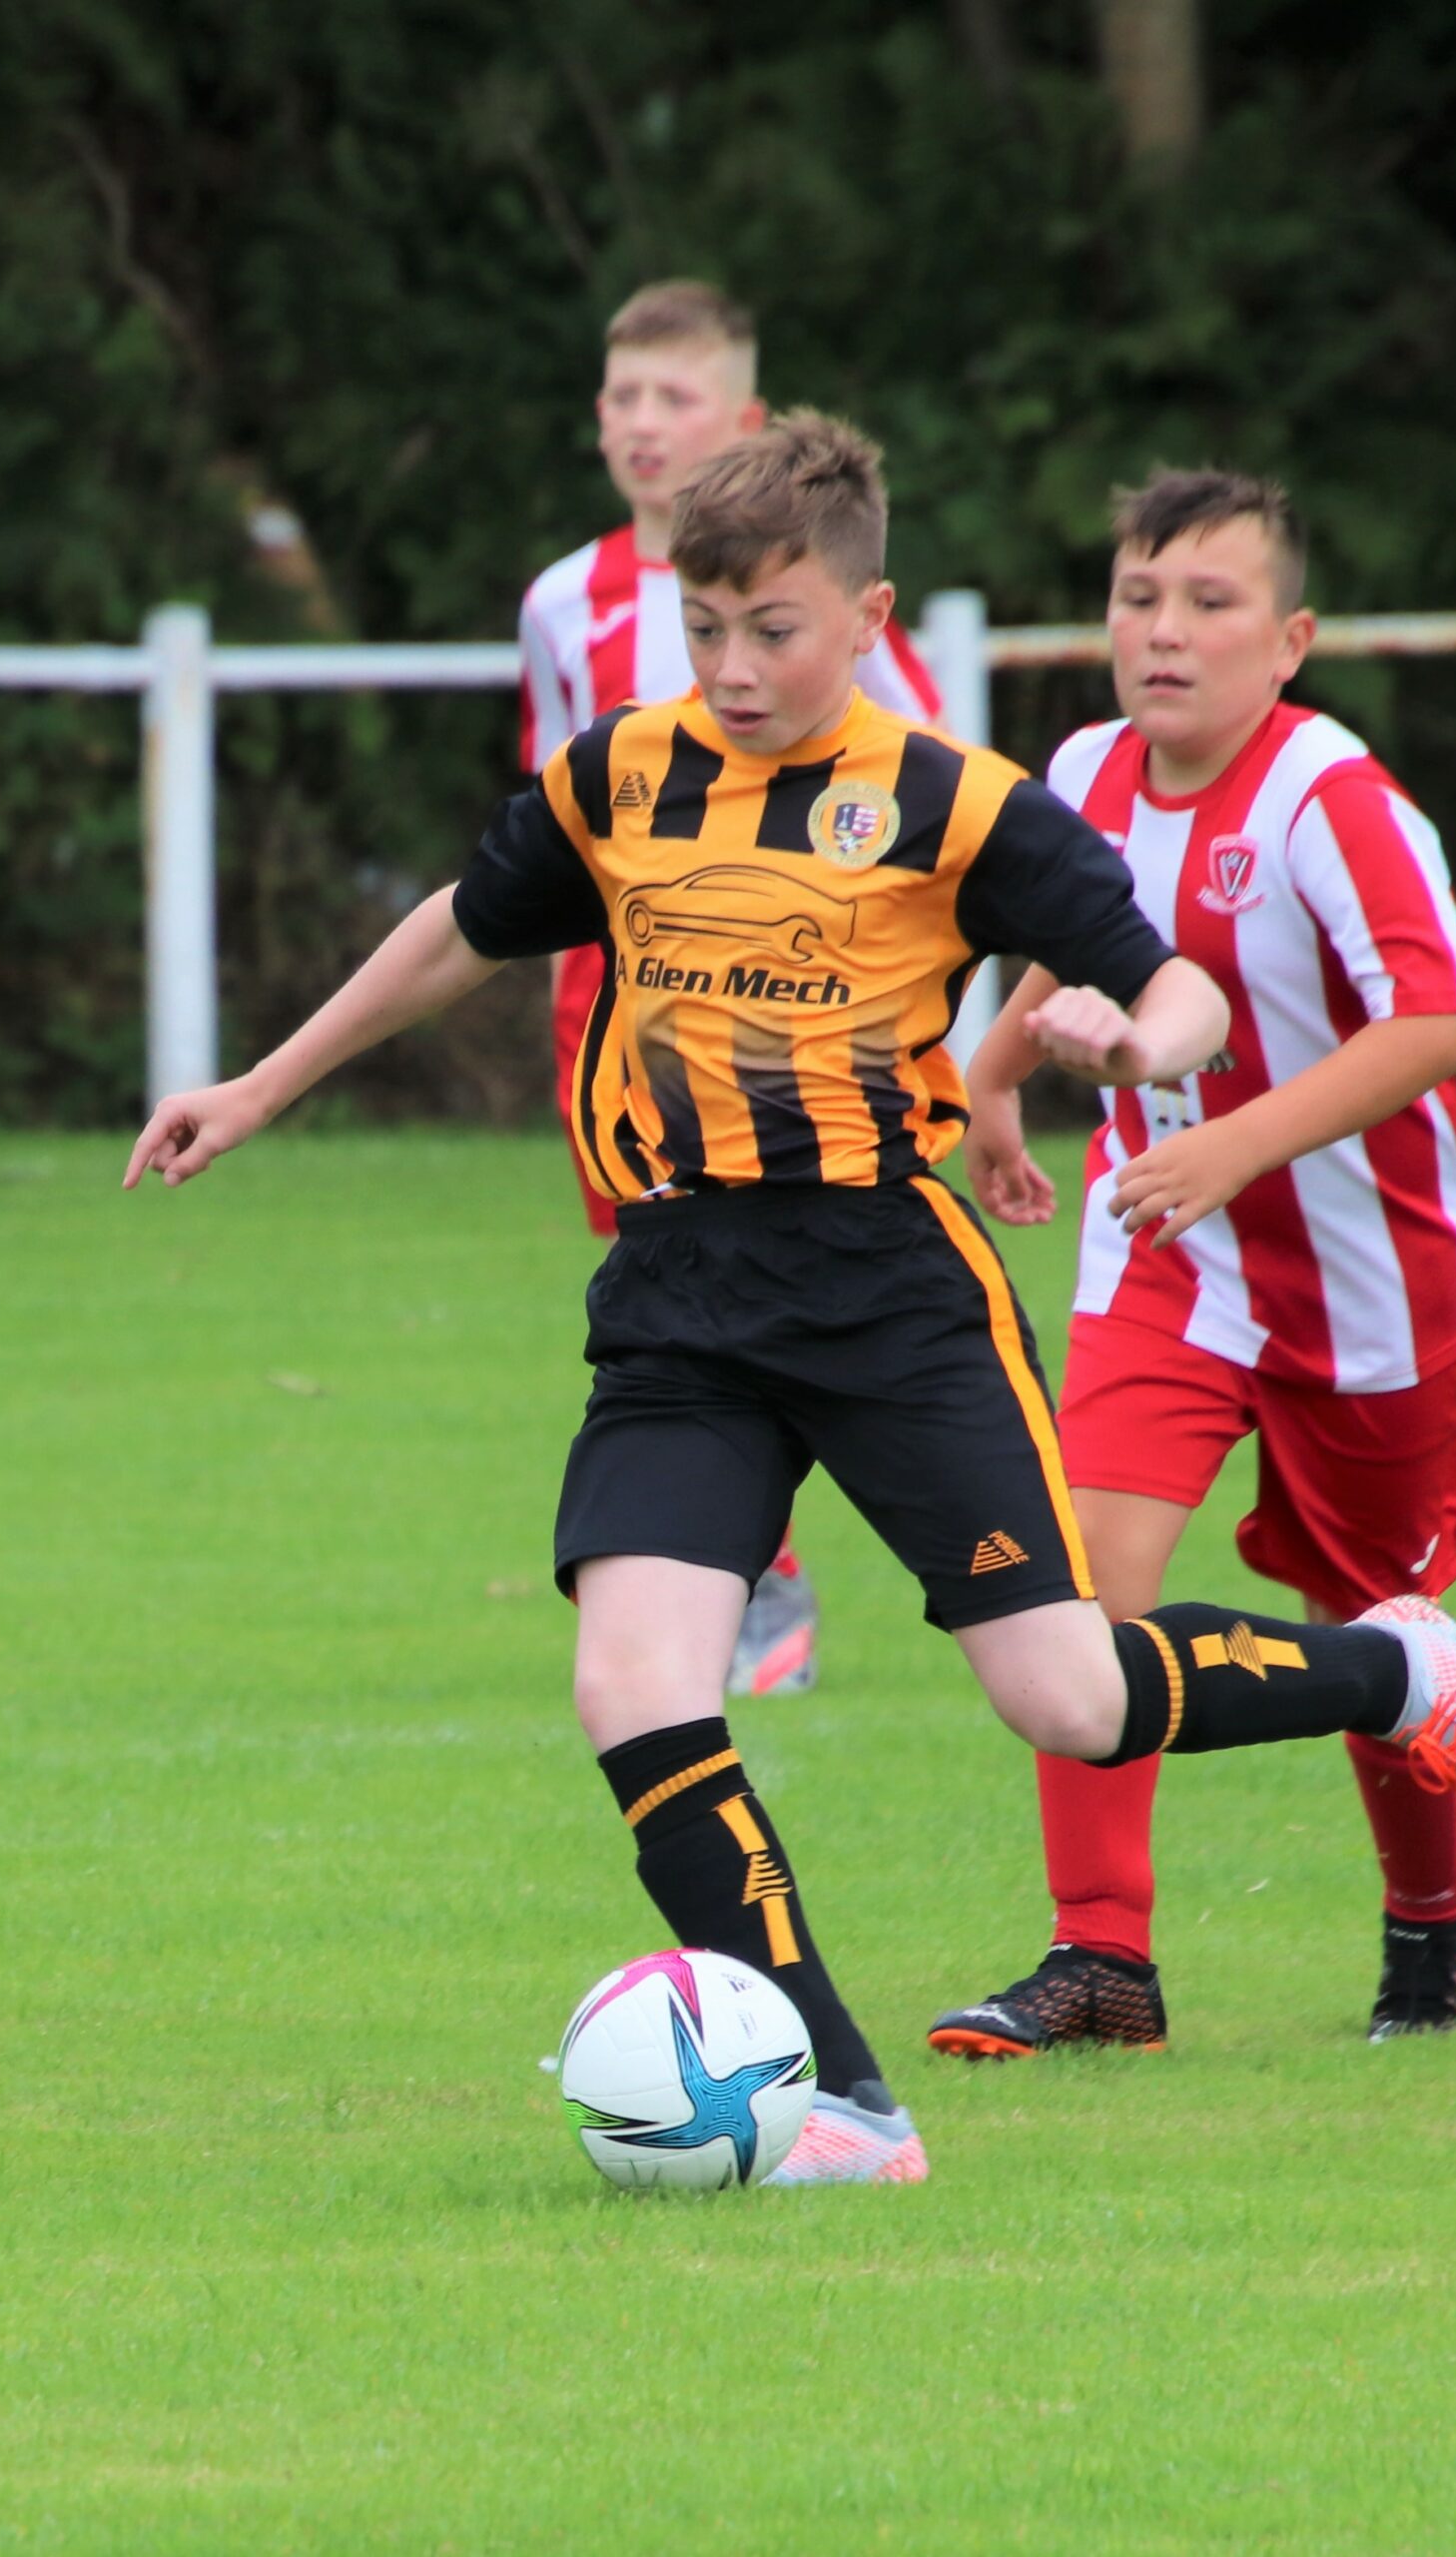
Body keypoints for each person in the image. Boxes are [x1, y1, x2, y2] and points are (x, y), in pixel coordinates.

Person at [126, 416, 1456, 2187]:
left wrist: (1129, 1040)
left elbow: (1180, 985)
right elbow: (463, 922)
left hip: (890, 1287)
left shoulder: (954, 800)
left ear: (865, 613)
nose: (737, 672)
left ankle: (1397, 1670)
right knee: (634, 1686)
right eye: (708, 630)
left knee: (1064, 1695)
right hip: (679, 1289)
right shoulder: (621, 774)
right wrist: (258, 1086)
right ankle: (845, 2102)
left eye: (778, 630)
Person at [929, 467, 1456, 2063]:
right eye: (1138, 599)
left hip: (1371, 1295)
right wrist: (988, 1089)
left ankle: (1433, 1918)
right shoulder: (1083, 770)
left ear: (1293, 638)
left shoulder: (1334, 800)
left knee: (1381, 1630)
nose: (1165, 635)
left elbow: (1437, 1024)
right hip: (1165, 1268)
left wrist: (1235, 1146)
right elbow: (1071, 933)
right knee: (1079, 1591)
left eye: (1210, 603)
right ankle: (1101, 1957)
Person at [519, 280, 942, 1701]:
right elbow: (553, 821)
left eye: (675, 399)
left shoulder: (815, 601)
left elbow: (927, 794)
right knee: (664, 1278)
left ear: (743, 418)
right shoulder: (562, 604)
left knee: (770, 1261)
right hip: (619, 1006)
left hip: (795, 1005)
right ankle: (733, 1565)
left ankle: (764, 1575)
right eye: (623, 398)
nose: (645, 426)